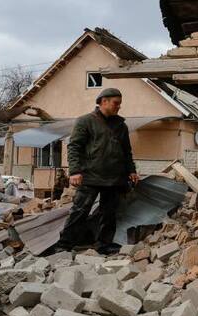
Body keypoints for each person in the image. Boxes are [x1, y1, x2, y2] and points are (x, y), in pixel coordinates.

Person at [55, 87, 138, 255]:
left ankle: (104, 245)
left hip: (115, 177)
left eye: (120, 104)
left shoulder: (121, 126)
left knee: (109, 213)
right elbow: (74, 147)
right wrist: (75, 171)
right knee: (80, 211)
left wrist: (132, 170)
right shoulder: (85, 121)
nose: (118, 107)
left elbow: (126, 151)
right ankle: (64, 245)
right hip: (90, 176)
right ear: (103, 101)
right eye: (116, 103)